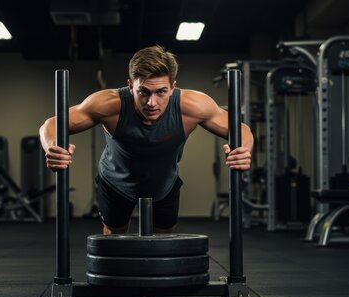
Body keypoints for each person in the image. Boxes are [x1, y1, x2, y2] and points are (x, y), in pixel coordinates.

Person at [40, 45, 253, 235]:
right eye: (143, 91)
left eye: (161, 92)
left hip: (164, 184)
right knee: (114, 239)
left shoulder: (193, 106)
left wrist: (244, 150)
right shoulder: (108, 104)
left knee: (164, 240)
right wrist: (52, 148)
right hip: (116, 182)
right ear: (130, 85)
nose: (152, 102)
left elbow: (240, 129)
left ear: (172, 87)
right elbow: (50, 125)